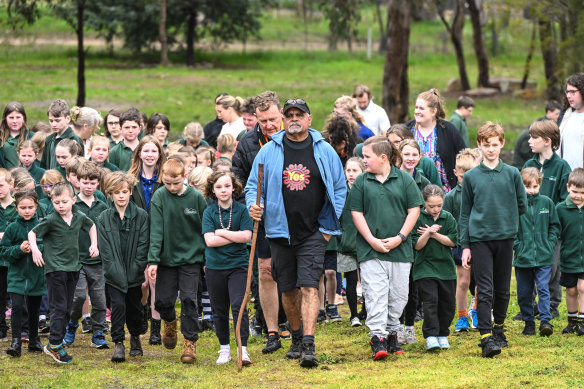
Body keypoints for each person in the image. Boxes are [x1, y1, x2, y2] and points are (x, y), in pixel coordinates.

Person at [246, 98, 346, 368]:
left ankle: (309, 343)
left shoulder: (324, 150)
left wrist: (327, 229)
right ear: (282, 118)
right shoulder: (269, 151)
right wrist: (254, 207)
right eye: (289, 114)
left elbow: (339, 189)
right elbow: (252, 187)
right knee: (288, 289)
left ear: (309, 119)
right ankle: (297, 336)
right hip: (279, 232)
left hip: (314, 232)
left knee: (309, 285)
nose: (294, 118)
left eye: (299, 114)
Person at [350, 136, 423, 360]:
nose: (364, 161)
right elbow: (356, 213)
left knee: (399, 295)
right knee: (376, 294)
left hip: (400, 250)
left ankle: (392, 333)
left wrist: (401, 237)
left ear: (383, 158)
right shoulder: (362, 181)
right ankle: (378, 338)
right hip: (371, 250)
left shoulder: (403, 179)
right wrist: (371, 240)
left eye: (367, 157)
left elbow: (414, 210)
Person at [460, 122, 527, 358]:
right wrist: (466, 245)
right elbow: (465, 212)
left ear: (502, 144)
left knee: (503, 288)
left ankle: (499, 328)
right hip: (480, 240)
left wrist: (504, 218)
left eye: (495, 145)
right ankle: (486, 336)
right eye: (486, 145)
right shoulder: (471, 177)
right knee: (484, 288)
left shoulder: (511, 174)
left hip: (505, 238)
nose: (491, 149)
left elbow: (522, 205)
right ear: (479, 145)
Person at [232, 91, 286, 352]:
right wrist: (248, 204)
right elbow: (237, 179)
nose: (269, 125)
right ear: (255, 118)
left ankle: (294, 326)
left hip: (293, 216)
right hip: (262, 218)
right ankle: (271, 330)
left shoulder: (298, 138)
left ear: (282, 115)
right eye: (263, 121)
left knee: (289, 272)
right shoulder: (247, 143)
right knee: (265, 271)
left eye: (273, 119)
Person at [29, 182, 98, 364]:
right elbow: (32, 234)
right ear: (52, 202)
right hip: (55, 269)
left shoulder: (78, 216)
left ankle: (56, 341)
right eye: (56, 202)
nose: (60, 206)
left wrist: (94, 244)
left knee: (68, 307)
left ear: (73, 200)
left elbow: (91, 226)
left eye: (64, 202)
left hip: (74, 268)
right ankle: (54, 344)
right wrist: (36, 250)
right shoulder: (51, 220)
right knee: (59, 307)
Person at [147, 159, 207, 364]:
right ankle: (170, 322)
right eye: (167, 183)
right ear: (162, 178)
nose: (172, 187)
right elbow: (155, 230)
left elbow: (205, 228)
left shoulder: (197, 198)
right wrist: (153, 260)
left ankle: (190, 341)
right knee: (162, 301)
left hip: (191, 258)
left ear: (184, 177)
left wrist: (206, 258)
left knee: (190, 299)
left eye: (176, 183)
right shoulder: (159, 197)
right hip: (167, 259)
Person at [97, 171, 150, 362]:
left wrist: (136, 268)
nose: (121, 196)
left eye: (125, 191)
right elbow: (105, 251)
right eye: (117, 192)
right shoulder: (103, 218)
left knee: (134, 307)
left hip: (134, 273)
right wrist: (115, 272)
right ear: (110, 194)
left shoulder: (141, 216)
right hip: (113, 274)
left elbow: (143, 245)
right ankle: (118, 342)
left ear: (130, 192)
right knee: (117, 306)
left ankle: (135, 337)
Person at [202, 171, 254, 365]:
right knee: (219, 309)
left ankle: (243, 349)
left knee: (239, 306)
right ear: (213, 191)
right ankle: (224, 348)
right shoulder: (209, 212)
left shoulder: (241, 210)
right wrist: (234, 235)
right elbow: (210, 241)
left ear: (233, 188)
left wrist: (222, 232)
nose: (223, 190)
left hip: (238, 266)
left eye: (226, 186)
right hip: (215, 267)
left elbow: (246, 237)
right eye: (218, 187)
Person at [523, 119, 572, 318]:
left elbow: (564, 200)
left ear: (547, 141)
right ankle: (532, 305)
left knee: (551, 268)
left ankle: (552, 305)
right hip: (528, 226)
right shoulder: (528, 164)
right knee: (529, 266)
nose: (529, 141)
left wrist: (550, 218)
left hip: (551, 228)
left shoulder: (562, 166)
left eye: (533, 138)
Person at [63, 162, 109, 349]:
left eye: (93, 183)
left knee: (99, 299)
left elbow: (107, 230)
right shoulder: (72, 204)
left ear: (98, 183)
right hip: (76, 259)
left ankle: (98, 333)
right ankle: (72, 324)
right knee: (79, 296)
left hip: (98, 261)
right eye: (85, 182)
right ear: (78, 182)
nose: (89, 186)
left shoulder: (102, 204)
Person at [513, 168, 560, 337]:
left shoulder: (547, 203)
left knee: (543, 288)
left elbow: (554, 226)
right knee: (524, 292)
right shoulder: (516, 204)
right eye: (527, 186)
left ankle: (545, 321)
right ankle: (528, 322)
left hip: (544, 256)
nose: (531, 190)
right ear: (520, 186)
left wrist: (549, 243)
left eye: (534, 186)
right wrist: (518, 245)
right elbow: (511, 228)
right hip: (522, 258)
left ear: (539, 185)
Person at [0, 190, 46, 357]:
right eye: (23, 207)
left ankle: (34, 340)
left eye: (30, 207)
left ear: (36, 206)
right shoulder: (12, 227)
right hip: (16, 275)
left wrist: (37, 250)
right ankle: (16, 341)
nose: (27, 211)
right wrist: (19, 250)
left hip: (36, 275)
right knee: (17, 307)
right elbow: (3, 251)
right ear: (16, 207)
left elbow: (48, 247)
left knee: (34, 309)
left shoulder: (42, 226)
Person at [128, 135, 164, 344]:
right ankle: (142, 311)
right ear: (139, 153)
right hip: (137, 237)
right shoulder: (131, 180)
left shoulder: (164, 179)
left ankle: (156, 327)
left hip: (159, 236)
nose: (150, 155)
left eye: (154, 151)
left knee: (155, 281)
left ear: (159, 154)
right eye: (146, 151)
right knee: (141, 283)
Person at [412, 185, 457, 351]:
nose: (436, 209)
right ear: (424, 203)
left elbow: (452, 241)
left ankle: (443, 334)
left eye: (439, 205)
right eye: (431, 206)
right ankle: (431, 336)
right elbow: (417, 246)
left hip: (446, 269)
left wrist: (435, 234)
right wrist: (427, 233)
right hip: (425, 268)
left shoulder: (448, 218)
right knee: (430, 302)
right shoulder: (417, 217)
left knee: (447, 304)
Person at [444, 149, 480, 332]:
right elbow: (448, 222)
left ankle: (476, 312)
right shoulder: (450, 197)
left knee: (481, 281)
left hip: (479, 242)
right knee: (463, 281)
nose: (464, 177)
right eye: (461, 174)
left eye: (468, 174)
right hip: (460, 244)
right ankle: (461, 317)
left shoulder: (479, 194)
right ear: (456, 172)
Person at [405, 88, 466, 192]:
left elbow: (464, 155)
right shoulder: (407, 130)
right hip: (411, 188)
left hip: (442, 191)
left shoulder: (448, 130)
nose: (417, 111)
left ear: (434, 111)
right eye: (416, 107)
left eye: (421, 108)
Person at [337, 157, 365, 327]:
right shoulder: (341, 192)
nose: (351, 174)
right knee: (351, 278)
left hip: (365, 241)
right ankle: (354, 314)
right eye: (348, 170)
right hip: (346, 243)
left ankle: (367, 311)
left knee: (368, 278)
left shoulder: (366, 191)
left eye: (355, 170)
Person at [556, 168, 584, 335]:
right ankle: (572, 320)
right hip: (569, 257)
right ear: (568, 188)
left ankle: (582, 321)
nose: (577, 196)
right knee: (571, 290)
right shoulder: (560, 209)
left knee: (583, 288)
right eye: (574, 192)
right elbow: (556, 231)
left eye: (582, 193)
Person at [512, 100, 562, 169]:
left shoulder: (542, 123)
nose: (559, 116)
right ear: (549, 112)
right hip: (521, 167)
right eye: (557, 114)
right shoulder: (541, 128)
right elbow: (526, 153)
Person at [40, 99, 84, 170]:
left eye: (57, 120)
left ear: (68, 119)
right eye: (51, 121)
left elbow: (79, 168)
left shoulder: (74, 139)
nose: (53, 124)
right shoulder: (49, 139)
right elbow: (43, 166)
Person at [0, 169, 16, 341]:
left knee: (19, 296)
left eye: (1, 185)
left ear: (11, 185)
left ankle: (23, 328)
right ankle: (1, 326)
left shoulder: (19, 207)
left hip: (15, 259)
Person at [558, 73, 584, 170]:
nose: (569, 96)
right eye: (567, 92)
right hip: (565, 178)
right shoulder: (565, 115)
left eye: (573, 92)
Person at [1, 102, 30, 169]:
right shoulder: (1, 137)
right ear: (5, 118)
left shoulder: (31, 136)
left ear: (24, 118)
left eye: (18, 117)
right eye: (11, 117)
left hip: (26, 176)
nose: (15, 121)